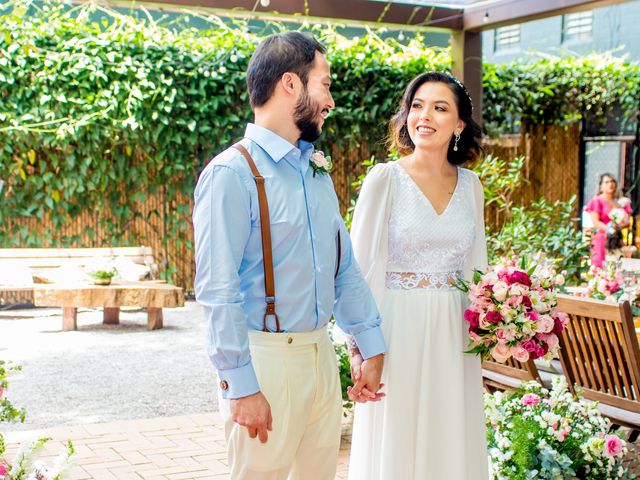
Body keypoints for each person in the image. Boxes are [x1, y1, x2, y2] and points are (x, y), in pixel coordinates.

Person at [192, 32, 386, 480]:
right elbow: (217, 292)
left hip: (320, 356)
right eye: (326, 84)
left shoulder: (316, 172)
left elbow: (344, 270)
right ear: (290, 84)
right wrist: (240, 387)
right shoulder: (231, 174)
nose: (331, 100)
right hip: (266, 362)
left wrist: (369, 345)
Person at [346, 72, 489, 480]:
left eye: (440, 108)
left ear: (459, 125)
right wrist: (363, 349)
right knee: (399, 436)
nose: (424, 116)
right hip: (398, 328)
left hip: (454, 332)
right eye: (417, 105)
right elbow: (360, 270)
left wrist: (497, 324)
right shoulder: (384, 179)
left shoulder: (472, 186)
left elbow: (476, 268)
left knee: (450, 433)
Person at [585, 173, 632, 268]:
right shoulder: (597, 201)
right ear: (601, 186)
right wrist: (610, 229)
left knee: (616, 267)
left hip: (617, 240)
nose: (610, 184)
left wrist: (622, 223)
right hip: (601, 239)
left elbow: (627, 222)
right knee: (600, 268)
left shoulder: (619, 202)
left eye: (612, 181)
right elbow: (596, 222)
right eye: (606, 182)